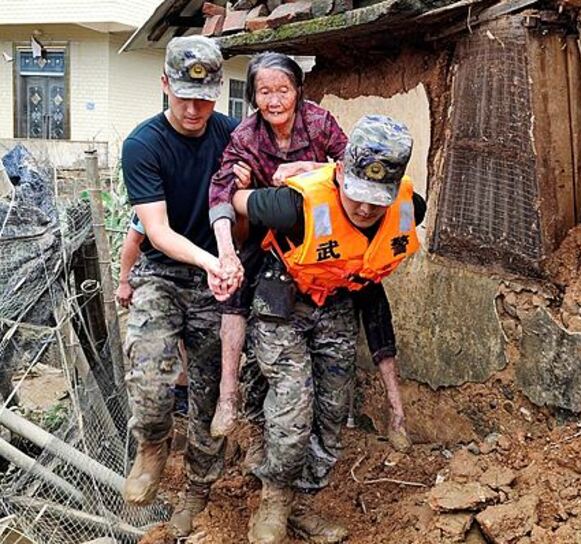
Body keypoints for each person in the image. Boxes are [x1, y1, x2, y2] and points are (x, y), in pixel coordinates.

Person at [230, 115, 426, 544]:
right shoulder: (296, 206)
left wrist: (395, 403)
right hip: (281, 299)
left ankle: (302, 501)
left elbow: (373, 291)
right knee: (294, 404)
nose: (365, 208)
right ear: (341, 173)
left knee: (333, 412)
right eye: (357, 194)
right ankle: (275, 499)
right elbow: (239, 201)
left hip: (335, 303)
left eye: (378, 200)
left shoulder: (410, 208)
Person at [119, 35, 243, 538]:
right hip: (163, 273)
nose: (194, 109)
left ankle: (196, 488)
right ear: (166, 84)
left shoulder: (232, 135)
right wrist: (211, 259)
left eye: (206, 97)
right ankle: (151, 446)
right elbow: (157, 231)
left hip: (214, 278)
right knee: (149, 373)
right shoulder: (143, 144)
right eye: (184, 96)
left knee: (209, 394)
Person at [208, 52, 348, 438]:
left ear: (298, 91)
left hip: (320, 229)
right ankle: (228, 394)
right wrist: (225, 251)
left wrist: (304, 169)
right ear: (253, 96)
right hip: (267, 229)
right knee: (233, 295)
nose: (274, 101)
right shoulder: (246, 135)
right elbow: (219, 192)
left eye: (282, 90)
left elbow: (351, 165)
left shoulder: (318, 121)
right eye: (264, 92)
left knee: (364, 293)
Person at [116, 215, 189, 415]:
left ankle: (184, 391)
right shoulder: (152, 200)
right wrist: (124, 281)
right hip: (159, 274)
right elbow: (134, 238)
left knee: (188, 340)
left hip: (199, 275)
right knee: (156, 343)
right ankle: (170, 395)